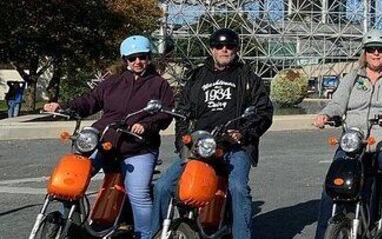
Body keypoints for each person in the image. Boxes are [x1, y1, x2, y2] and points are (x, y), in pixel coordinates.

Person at [43, 35, 175, 239]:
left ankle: (144, 235)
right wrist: (64, 106)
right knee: (73, 178)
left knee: (138, 194)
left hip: (137, 147)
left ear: (149, 57)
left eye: (142, 56)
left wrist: (146, 125)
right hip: (104, 141)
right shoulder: (113, 82)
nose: (138, 61)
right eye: (132, 58)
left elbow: (165, 113)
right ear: (125, 60)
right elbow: (90, 100)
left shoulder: (159, 84)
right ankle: (71, 223)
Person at [151, 28, 274, 239]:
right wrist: (183, 141)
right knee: (163, 187)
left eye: (229, 46)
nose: (224, 50)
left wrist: (242, 133)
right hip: (200, 144)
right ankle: (157, 233)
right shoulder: (198, 76)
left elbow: (264, 112)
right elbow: (182, 113)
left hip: (233, 146)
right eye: (219, 46)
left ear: (236, 49)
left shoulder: (248, 78)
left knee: (237, 188)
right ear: (212, 49)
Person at [312, 28, 382, 239]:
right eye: (371, 49)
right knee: (331, 190)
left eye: (381, 49)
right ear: (364, 52)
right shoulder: (352, 78)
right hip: (355, 140)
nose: (376, 53)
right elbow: (338, 102)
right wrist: (325, 115)